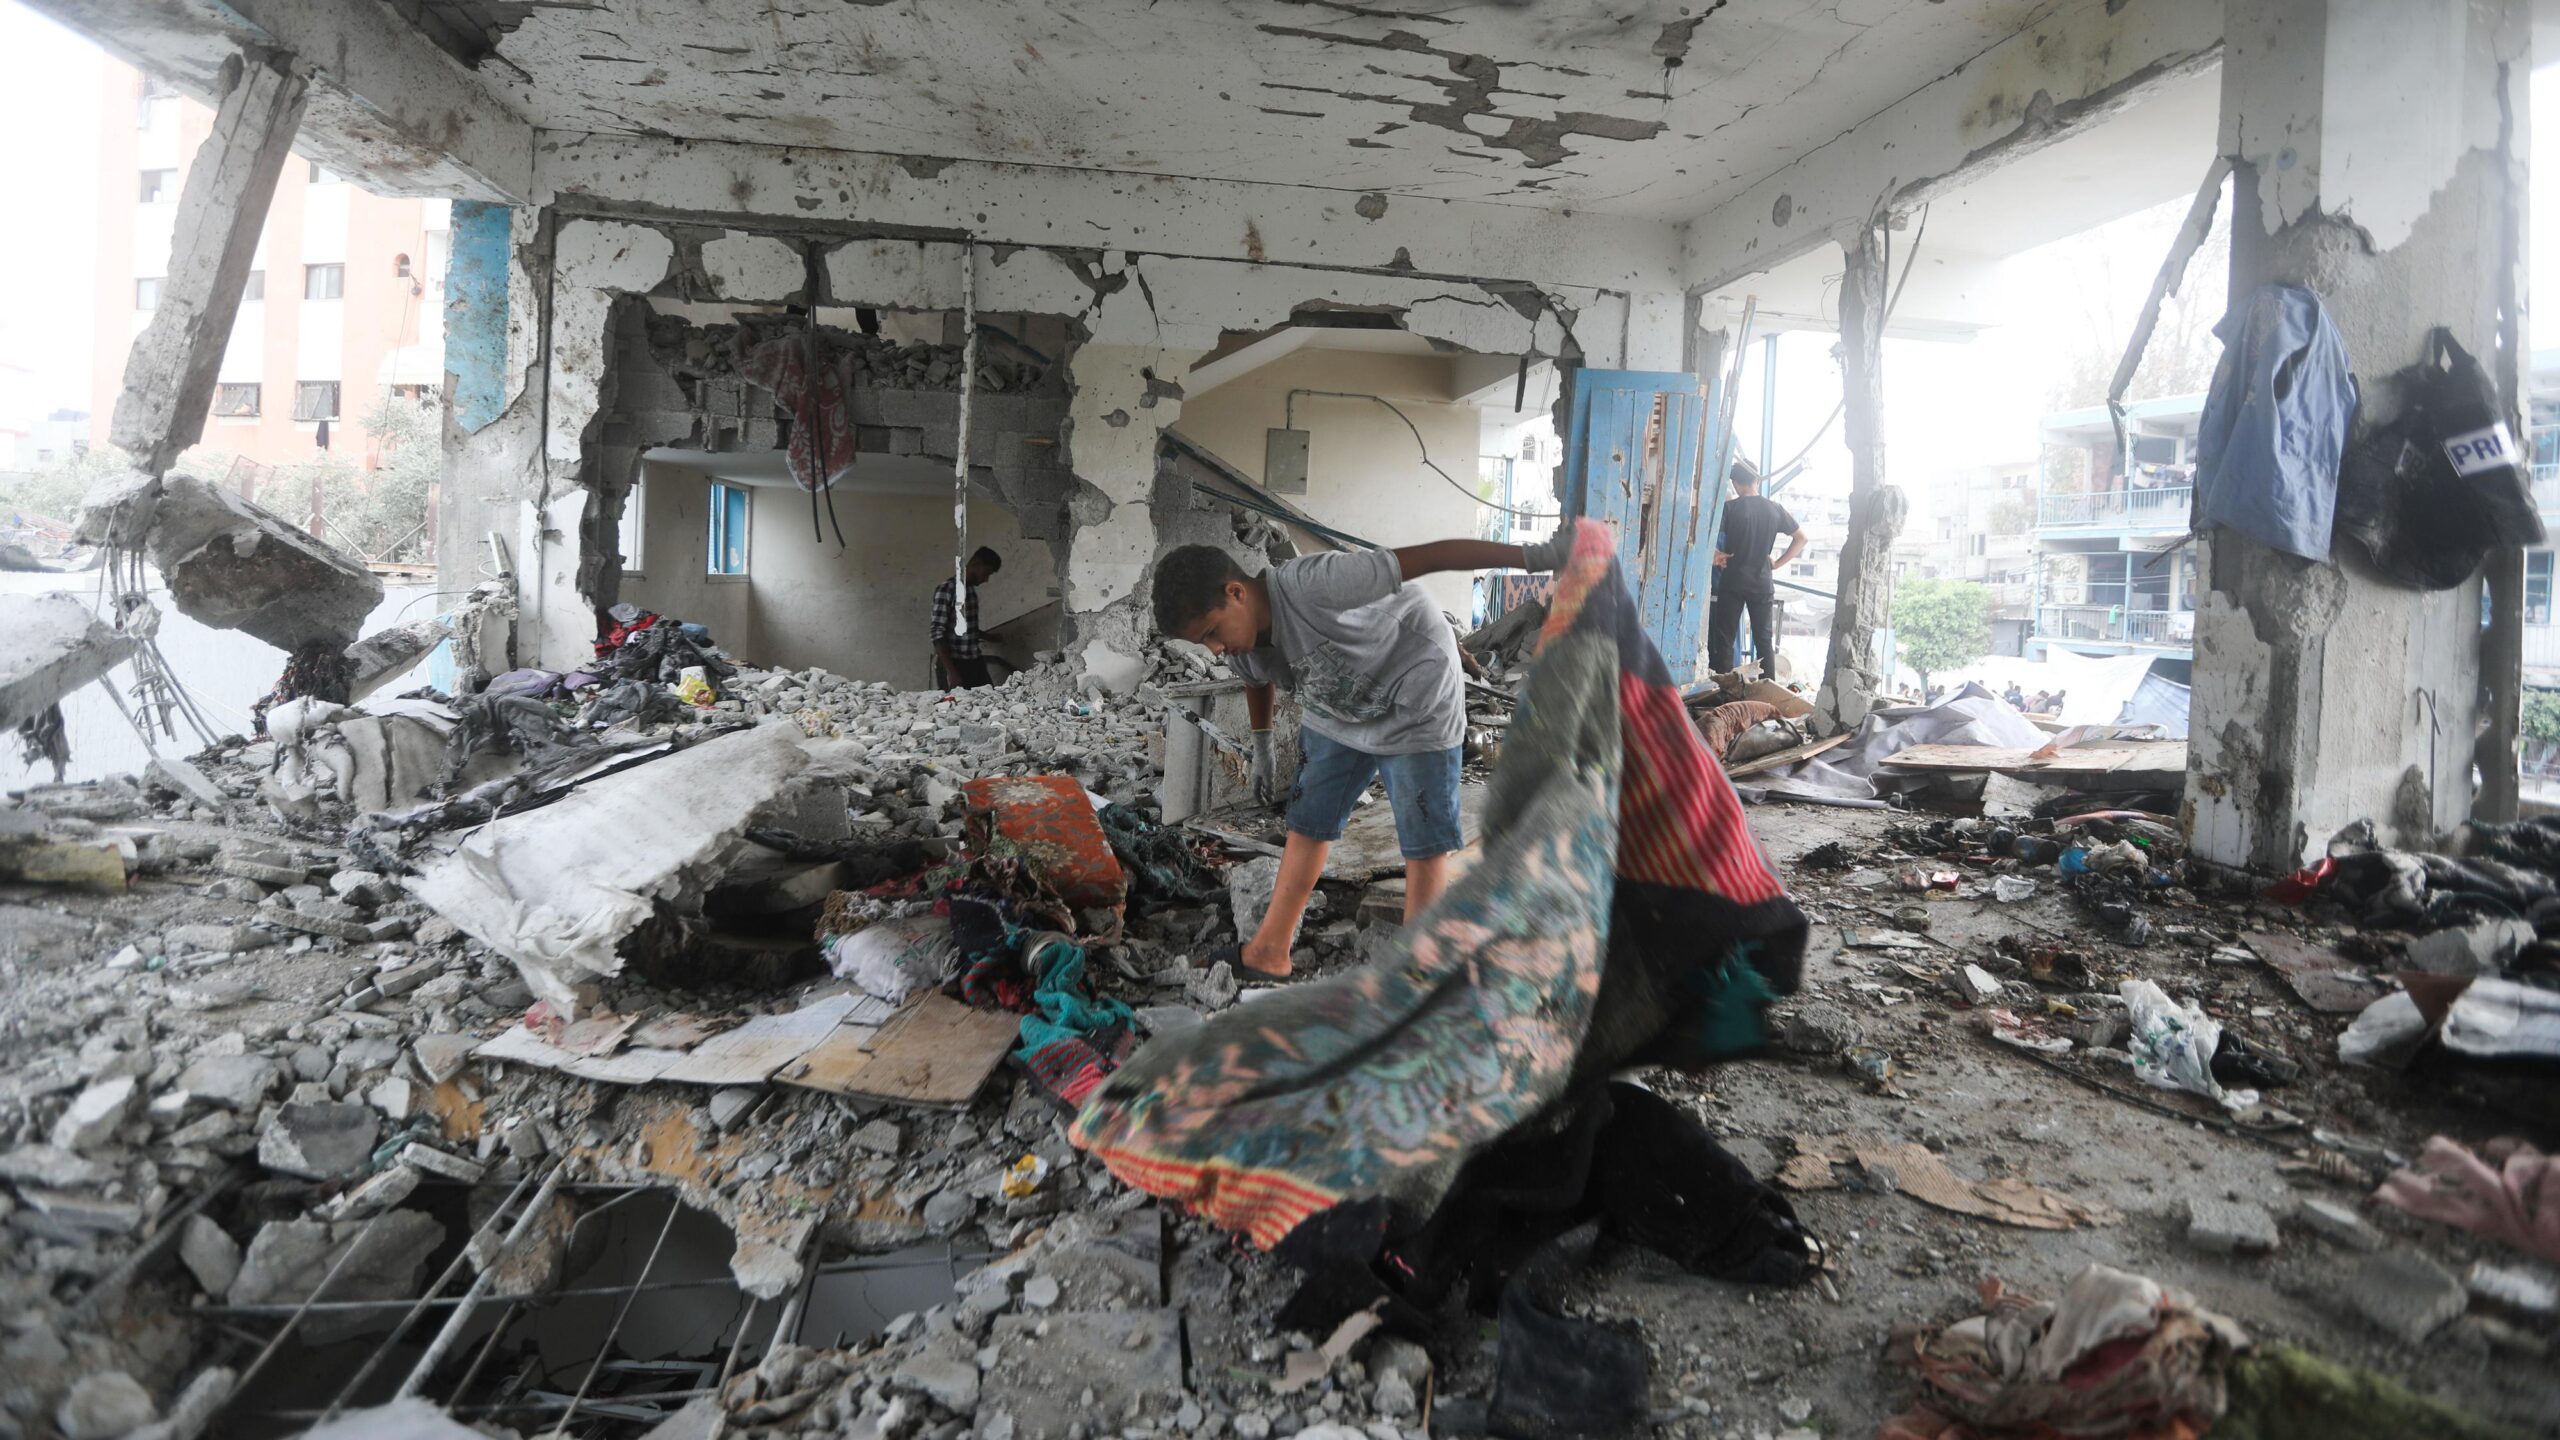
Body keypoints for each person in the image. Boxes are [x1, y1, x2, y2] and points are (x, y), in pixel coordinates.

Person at [1151, 531, 1570, 977]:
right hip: (1339, 704)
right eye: (1203, 643)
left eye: (1213, 633)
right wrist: (1262, 746)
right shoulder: (1241, 644)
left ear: (1236, 593)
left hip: (1415, 689)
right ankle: (1270, 951)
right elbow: (1257, 678)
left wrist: (1534, 556)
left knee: (1424, 838)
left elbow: (1431, 553)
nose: (1215, 649)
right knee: (1308, 820)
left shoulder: (1314, 584)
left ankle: (1415, 975)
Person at [1709, 459, 1806, 674]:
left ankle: (1725, 698)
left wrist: (1716, 555)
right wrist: (1777, 563)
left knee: (1725, 640)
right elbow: (1801, 538)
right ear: (1755, 480)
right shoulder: (1774, 509)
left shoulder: (1730, 508)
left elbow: (1706, 538)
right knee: (1763, 641)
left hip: (1732, 581)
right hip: (1762, 582)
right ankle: (1768, 696)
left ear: (1735, 483)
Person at [930, 546, 1002, 689]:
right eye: (986, 573)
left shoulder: (970, 591)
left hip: (975, 662)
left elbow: (966, 628)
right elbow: (937, 633)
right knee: (958, 708)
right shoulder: (947, 589)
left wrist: (989, 637)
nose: (986, 580)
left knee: (990, 702)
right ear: (976, 564)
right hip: (954, 664)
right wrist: (952, 672)